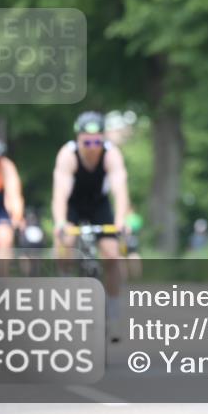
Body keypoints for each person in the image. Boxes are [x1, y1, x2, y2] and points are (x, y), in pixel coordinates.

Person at [52, 111, 131, 339]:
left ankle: (113, 313)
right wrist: (60, 222)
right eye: (87, 141)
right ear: (79, 138)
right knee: (65, 242)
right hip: (73, 204)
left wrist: (121, 219)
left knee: (112, 255)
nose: (92, 146)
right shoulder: (68, 155)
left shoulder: (111, 154)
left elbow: (120, 188)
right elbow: (60, 194)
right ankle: (65, 285)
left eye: (97, 141)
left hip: (99, 205)